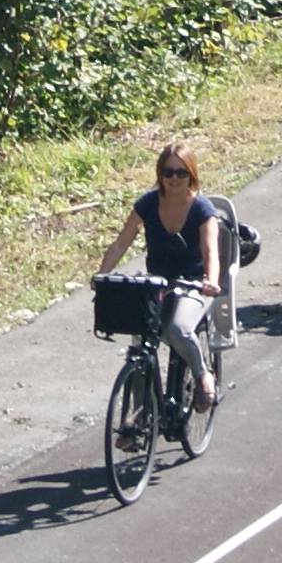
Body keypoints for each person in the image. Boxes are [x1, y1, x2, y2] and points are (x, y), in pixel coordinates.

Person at [97, 141, 229, 407]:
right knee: (139, 343)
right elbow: (122, 242)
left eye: (181, 173)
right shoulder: (147, 204)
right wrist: (102, 275)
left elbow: (210, 253)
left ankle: (203, 375)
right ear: (160, 174)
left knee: (178, 330)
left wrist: (210, 282)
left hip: (193, 285)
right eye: (167, 172)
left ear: (191, 175)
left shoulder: (203, 210)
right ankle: (138, 416)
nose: (173, 179)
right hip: (157, 284)